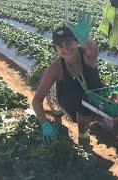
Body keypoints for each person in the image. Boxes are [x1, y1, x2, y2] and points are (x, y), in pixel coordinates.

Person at [32, 12, 103, 151]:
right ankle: (83, 138)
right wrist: (44, 123)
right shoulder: (55, 68)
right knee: (82, 109)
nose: (66, 49)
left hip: (95, 94)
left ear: (77, 42)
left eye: (69, 43)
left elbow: (94, 50)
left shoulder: (86, 56)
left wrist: (85, 39)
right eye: (60, 46)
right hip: (71, 99)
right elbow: (37, 99)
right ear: (56, 49)